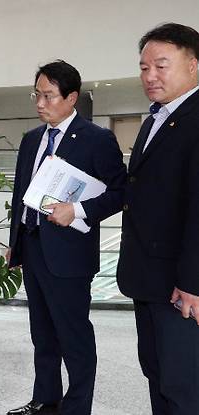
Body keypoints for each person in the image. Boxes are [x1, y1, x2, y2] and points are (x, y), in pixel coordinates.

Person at [6, 60, 126, 415]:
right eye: (36, 95)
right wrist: (16, 243)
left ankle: (76, 407)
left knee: (73, 337)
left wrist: (78, 210)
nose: (40, 103)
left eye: (48, 96)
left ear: (71, 97)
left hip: (70, 254)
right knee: (42, 334)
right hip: (33, 247)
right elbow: (19, 196)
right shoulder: (31, 140)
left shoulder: (97, 139)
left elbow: (120, 192)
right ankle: (45, 400)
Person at [117, 23, 199, 415]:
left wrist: (192, 282)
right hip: (150, 277)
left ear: (193, 65)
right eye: (144, 67)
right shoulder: (154, 119)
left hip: (182, 288)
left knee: (183, 385)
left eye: (161, 66)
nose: (150, 76)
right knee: (157, 373)